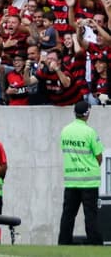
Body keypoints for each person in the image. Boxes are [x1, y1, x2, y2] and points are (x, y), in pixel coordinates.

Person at [58, 100, 104, 245]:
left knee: (68, 215)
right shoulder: (90, 132)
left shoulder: (65, 131)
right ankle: (94, 244)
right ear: (87, 114)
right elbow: (99, 156)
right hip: (89, 181)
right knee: (90, 215)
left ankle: (63, 242)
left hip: (71, 181)